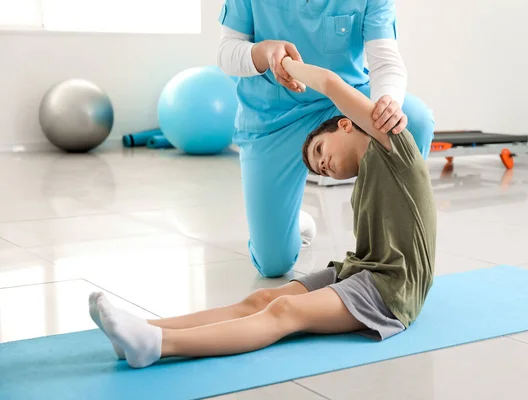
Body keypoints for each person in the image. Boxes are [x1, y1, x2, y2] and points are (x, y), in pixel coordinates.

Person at [87, 57, 436, 369]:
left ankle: (158, 346)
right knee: (263, 298)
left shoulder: (393, 144)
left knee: (285, 312)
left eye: (320, 152)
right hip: (362, 271)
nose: (324, 165)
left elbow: (331, 85)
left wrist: (284, 66)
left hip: (393, 287)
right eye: (320, 168)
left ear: (345, 124)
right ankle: (144, 330)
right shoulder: (368, 179)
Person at [217, 0, 435, 277]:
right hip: (270, 118)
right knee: (273, 264)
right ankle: (294, 222)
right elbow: (226, 53)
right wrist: (263, 51)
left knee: (412, 119)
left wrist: (385, 106)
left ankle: (397, 240)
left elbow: (385, 61)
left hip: (340, 102)